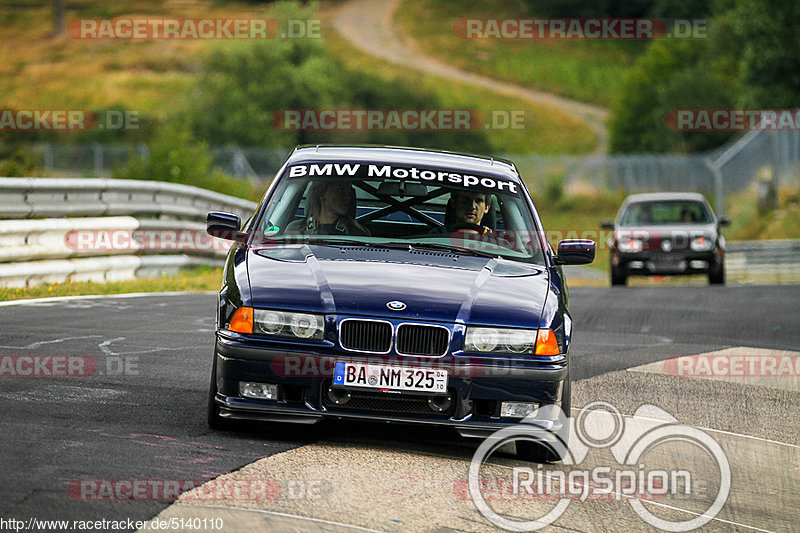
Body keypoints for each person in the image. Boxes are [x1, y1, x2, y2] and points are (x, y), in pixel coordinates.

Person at [286, 181, 370, 236]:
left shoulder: (356, 233)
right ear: (322, 194)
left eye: (349, 193)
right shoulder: (296, 230)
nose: (347, 197)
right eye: (340, 191)